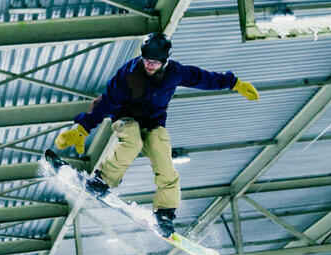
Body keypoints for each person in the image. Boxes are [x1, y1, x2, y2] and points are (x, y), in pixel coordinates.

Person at [54, 32, 259, 236]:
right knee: (131, 142)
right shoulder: (129, 73)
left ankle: (165, 212)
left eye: (155, 62)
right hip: (126, 118)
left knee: (163, 155)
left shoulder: (175, 72)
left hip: (153, 123)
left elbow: (201, 78)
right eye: (147, 61)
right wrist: (83, 128)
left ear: (165, 61)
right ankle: (103, 180)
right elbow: (107, 101)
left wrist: (234, 83)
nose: (150, 66)